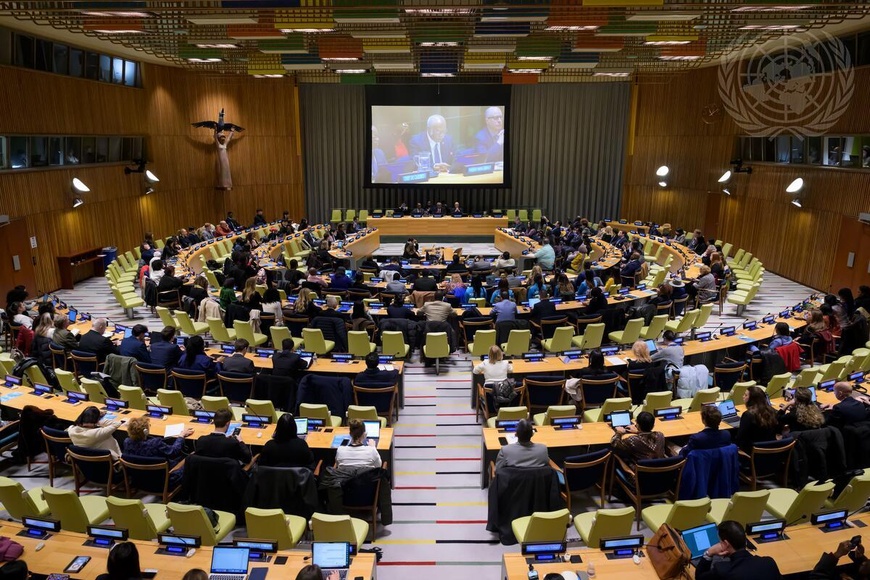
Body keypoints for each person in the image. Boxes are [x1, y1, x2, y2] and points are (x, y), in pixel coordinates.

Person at [696, 520, 781, 579]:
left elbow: (699, 577)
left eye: (720, 542)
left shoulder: (722, 570)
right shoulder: (769, 563)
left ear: (725, 544)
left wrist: (709, 552)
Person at [123, 416, 192, 480]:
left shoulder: (127, 442)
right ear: (145, 431)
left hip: (139, 480)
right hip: (164, 481)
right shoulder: (155, 443)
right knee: (192, 458)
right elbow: (174, 451)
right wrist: (181, 436)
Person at [735, 385, 780, 452]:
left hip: (754, 451)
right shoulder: (772, 410)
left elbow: (740, 437)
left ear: (752, 399)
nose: (743, 396)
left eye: (746, 395)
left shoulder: (748, 415)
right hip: (771, 449)